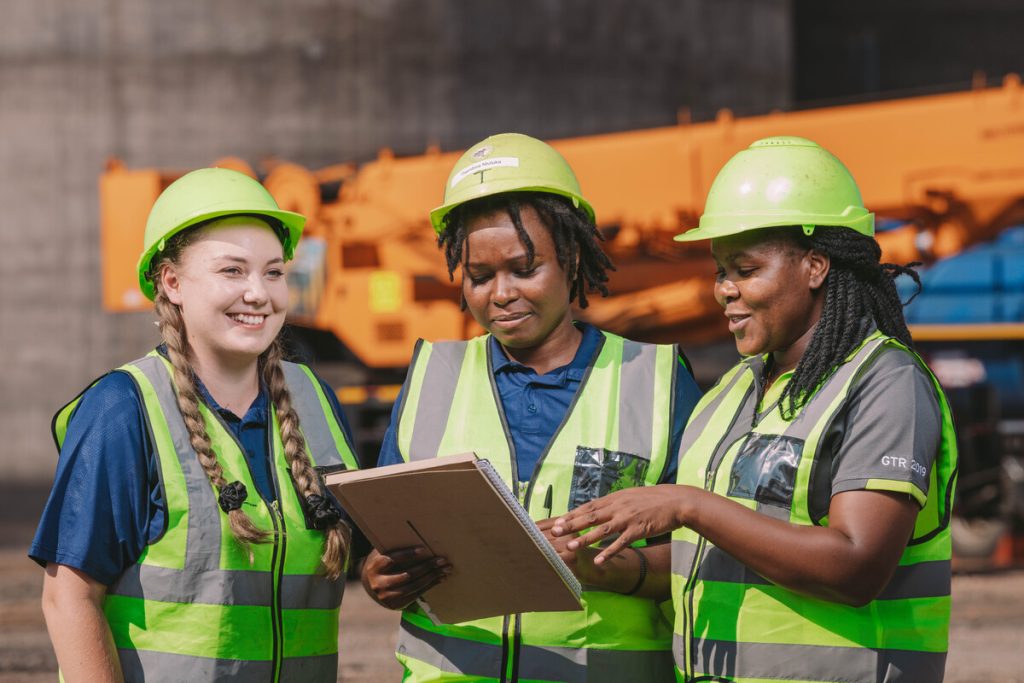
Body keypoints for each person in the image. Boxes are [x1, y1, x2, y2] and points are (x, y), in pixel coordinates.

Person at [550, 136, 957, 682]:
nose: (724, 290)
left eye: (745, 269)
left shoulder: (886, 383)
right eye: (721, 271)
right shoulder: (732, 394)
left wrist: (688, 505)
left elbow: (856, 566)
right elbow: (715, 555)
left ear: (815, 266)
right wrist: (602, 566)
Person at [360, 133, 703, 681]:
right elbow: (391, 541)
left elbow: (702, 559)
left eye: (524, 269)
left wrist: (608, 568)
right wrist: (382, 576)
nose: (500, 293)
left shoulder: (656, 379)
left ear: (571, 257)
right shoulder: (432, 376)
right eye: (478, 276)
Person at [30, 168, 361, 682]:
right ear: (172, 282)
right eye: (233, 271)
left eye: (274, 273)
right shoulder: (124, 408)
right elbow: (68, 596)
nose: (259, 293)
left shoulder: (314, 400)